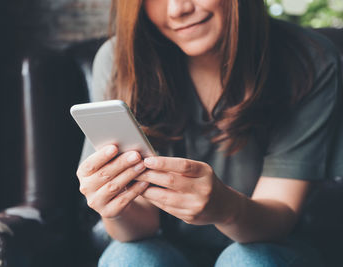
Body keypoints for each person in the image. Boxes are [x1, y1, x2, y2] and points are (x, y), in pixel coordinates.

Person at [76, 0, 342, 266]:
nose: (177, 9)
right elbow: (139, 230)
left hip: (271, 243)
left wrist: (227, 209)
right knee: (129, 257)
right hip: (166, 245)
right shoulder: (119, 59)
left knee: (248, 260)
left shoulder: (308, 59)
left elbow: (279, 218)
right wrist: (113, 206)